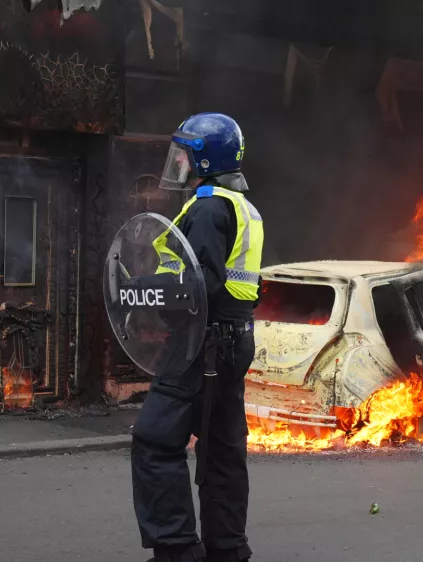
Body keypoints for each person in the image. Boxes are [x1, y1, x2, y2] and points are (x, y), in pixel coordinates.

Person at [131, 113, 263, 562]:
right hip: (232, 339)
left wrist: (144, 293)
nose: (179, 162)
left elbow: (200, 282)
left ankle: (177, 549)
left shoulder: (207, 206)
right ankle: (228, 549)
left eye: (185, 153)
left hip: (199, 342)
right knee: (222, 448)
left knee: (155, 440)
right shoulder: (241, 205)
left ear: (205, 159)